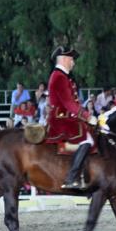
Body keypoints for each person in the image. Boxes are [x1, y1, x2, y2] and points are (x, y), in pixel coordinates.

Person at [45, 46, 95, 189]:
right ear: (65, 59)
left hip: (67, 117)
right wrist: (87, 116)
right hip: (61, 119)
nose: (73, 62)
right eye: (72, 59)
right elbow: (68, 103)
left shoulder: (62, 76)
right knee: (87, 140)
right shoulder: (59, 77)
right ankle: (71, 178)